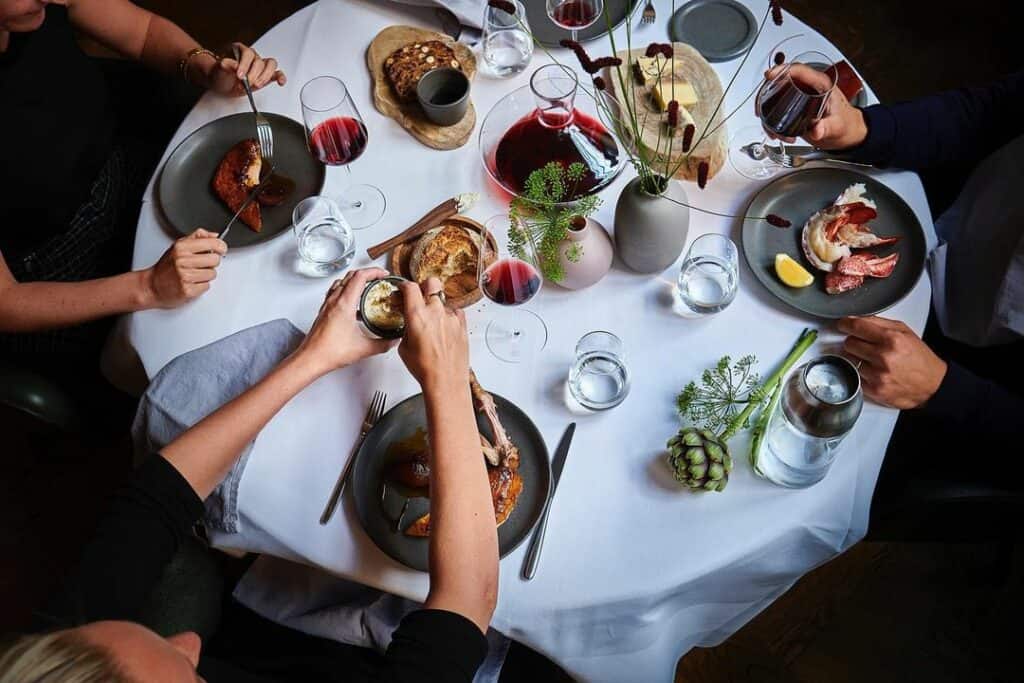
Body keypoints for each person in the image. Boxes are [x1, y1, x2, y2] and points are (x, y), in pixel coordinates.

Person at [0, 268, 499, 681]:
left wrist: (316, 356)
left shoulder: (57, 663)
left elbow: (158, 494)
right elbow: (467, 601)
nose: (191, 641)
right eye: (184, 668)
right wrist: (447, 379)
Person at [762, 64, 1024, 487]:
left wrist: (944, 391)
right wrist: (863, 128)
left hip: (976, 396)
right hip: (945, 230)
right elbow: (988, 112)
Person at [0, 0, 285, 370]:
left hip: (122, 161)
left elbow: (143, 32)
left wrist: (209, 69)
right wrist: (149, 287)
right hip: (59, 266)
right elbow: (6, 302)